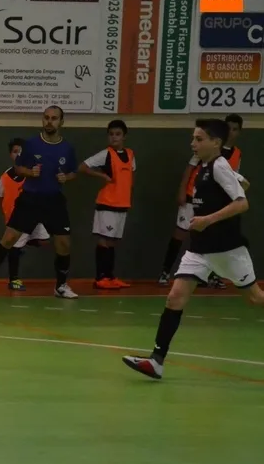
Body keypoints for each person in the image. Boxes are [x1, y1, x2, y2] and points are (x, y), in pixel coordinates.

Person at [123, 119, 264, 380]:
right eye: (193, 138)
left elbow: (242, 203)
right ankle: (156, 361)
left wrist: (208, 219)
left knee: (255, 298)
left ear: (216, 142)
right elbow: (243, 184)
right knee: (175, 298)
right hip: (200, 249)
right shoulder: (206, 166)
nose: (193, 144)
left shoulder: (219, 166)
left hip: (227, 249)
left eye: (199, 139)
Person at [0, 105, 79, 299]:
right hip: (30, 199)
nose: (49, 121)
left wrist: (66, 177)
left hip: (54, 201)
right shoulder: (31, 144)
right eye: (46, 117)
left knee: (64, 244)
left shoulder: (67, 148)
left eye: (54, 118)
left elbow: (73, 172)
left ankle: (61, 286)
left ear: (61, 122)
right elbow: (18, 168)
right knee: (8, 239)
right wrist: (30, 172)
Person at [159, 113, 245, 287]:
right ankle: (166, 271)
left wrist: (236, 190)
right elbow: (189, 169)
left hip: (214, 205)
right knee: (182, 233)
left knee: (212, 237)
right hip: (193, 198)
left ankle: (212, 275)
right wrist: (182, 190)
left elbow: (239, 185)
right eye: (228, 128)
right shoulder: (204, 149)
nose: (231, 132)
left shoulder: (229, 157)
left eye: (234, 129)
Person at [78, 120, 135, 289]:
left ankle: (110, 276)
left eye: (118, 134)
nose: (114, 137)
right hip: (107, 203)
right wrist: (102, 176)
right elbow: (82, 167)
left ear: (124, 136)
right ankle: (100, 278)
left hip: (122, 204)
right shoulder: (106, 154)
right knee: (104, 240)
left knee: (113, 242)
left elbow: (130, 176)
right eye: (111, 134)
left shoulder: (130, 155)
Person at [0, 138, 50, 291]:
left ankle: (25, 243)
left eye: (21, 151)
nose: (18, 154)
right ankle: (14, 280)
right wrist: (7, 214)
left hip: (34, 215)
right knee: (15, 247)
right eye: (15, 152)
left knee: (44, 241)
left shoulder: (34, 173)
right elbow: (0, 198)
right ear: (10, 155)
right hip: (16, 218)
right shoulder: (4, 178)